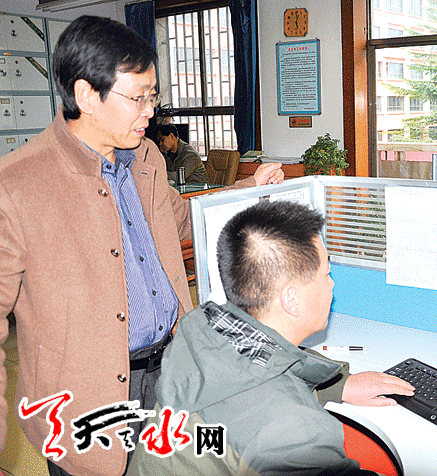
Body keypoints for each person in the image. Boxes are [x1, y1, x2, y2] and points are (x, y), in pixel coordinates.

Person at [0, 15, 282, 476]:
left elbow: (182, 219)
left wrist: (248, 190)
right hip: (86, 401)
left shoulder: (145, 157)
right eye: (138, 98)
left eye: (153, 97)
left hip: (169, 373)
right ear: (86, 95)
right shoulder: (18, 185)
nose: (150, 111)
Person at [126, 201, 437, 476]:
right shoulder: (294, 433)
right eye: (326, 273)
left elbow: (251, 376)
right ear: (291, 299)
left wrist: (338, 385)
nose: (333, 285)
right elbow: (268, 410)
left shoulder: (198, 328)